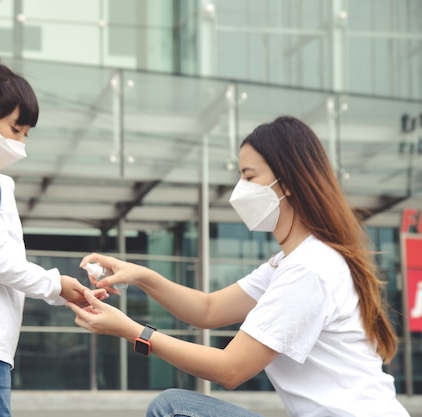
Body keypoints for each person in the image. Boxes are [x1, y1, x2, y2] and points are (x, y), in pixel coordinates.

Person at [68, 116, 410, 417]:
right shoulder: (289, 263)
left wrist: (133, 331)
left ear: (287, 182)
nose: (240, 189)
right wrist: (142, 275)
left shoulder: (310, 268)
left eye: (249, 176)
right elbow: (208, 308)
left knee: (173, 409)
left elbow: (231, 369)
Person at [0, 63, 107, 417]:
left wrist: (60, 289)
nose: (20, 142)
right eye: (16, 129)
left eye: (25, 133)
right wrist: (54, 285)